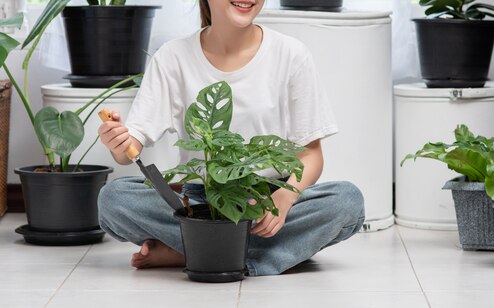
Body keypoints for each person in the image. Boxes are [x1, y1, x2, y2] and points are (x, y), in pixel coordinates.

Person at [96, 0, 365, 276]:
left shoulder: (291, 54)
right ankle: (244, 254)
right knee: (114, 199)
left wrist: (284, 199)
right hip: (199, 205)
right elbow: (131, 147)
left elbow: (311, 154)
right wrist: (117, 141)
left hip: (268, 202)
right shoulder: (172, 57)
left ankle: (192, 251)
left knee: (347, 201)